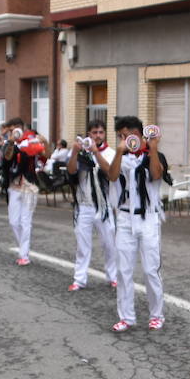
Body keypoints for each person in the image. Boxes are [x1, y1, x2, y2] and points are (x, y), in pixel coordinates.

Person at [108, 116, 168, 331]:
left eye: (128, 136)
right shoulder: (121, 158)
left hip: (149, 217)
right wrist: (118, 151)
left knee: (152, 270)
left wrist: (152, 147)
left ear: (139, 134)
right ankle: (126, 317)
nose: (125, 140)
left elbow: (156, 174)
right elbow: (112, 176)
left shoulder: (154, 155)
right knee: (124, 270)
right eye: (121, 136)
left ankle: (156, 315)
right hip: (124, 218)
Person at [67, 123, 119, 292]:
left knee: (110, 243)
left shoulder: (110, 153)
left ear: (105, 134)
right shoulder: (80, 152)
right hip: (84, 205)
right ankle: (79, 279)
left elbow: (110, 173)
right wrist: (75, 152)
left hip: (104, 206)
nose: (98, 135)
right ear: (89, 133)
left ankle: (113, 276)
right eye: (94, 132)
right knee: (83, 245)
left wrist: (96, 153)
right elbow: (72, 171)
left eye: (101, 132)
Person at [1, 119, 45, 266]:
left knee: (25, 221)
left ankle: (24, 254)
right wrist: (11, 142)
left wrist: (32, 141)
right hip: (14, 186)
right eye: (11, 130)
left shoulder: (31, 141)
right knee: (13, 221)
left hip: (29, 185)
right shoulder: (10, 144)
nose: (14, 132)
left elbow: (41, 152)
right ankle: (23, 248)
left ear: (22, 128)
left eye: (17, 129)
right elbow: (6, 159)